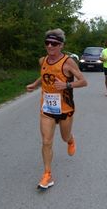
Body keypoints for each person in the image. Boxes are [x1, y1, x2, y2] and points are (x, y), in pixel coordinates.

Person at [26, 28, 88, 190]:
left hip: (65, 108)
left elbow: (83, 81)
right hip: (47, 108)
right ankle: (47, 175)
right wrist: (35, 84)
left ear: (61, 45)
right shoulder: (43, 60)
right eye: (47, 43)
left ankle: (70, 139)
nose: (50, 46)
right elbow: (45, 74)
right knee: (46, 141)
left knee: (64, 136)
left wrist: (66, 84)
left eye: (54, 43)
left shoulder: (68, 62)